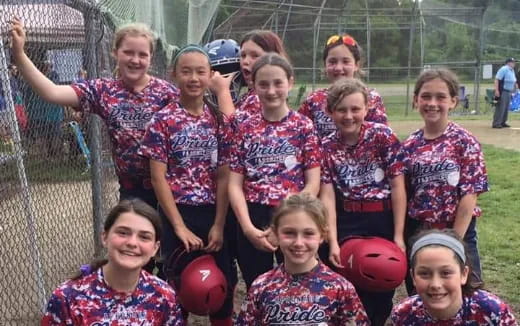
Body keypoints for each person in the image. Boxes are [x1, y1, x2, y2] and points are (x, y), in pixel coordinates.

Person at [9, 18, 179, 207]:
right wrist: (19, 54)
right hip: (132, 190)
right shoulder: (103, 90)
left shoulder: (167, 93)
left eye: (142, 54)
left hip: (171, 185)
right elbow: (53, 92)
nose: (135, 60)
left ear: (150, 57)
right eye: (128, 52)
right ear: (115, 53)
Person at [139, 44, 234, 326]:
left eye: (200, 72)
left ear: (210, 76)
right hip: (177, 211)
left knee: (221, 281)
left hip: (213, 211)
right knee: (181, 281)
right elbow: (158, 178)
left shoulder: (218, 119)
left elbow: (224, 174)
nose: (193, 78)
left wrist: (218, 223)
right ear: (174, 75)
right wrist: (179, 226)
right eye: (186, 72)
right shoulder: (163, 121)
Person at [228, 53, 321, 289]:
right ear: (254, 86)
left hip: (293, 215)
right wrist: (248, 228)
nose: (271, 91)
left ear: (290, 82)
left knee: (297, 282)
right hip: (253, 216)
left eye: (278, 83)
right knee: (257, 285)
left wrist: (283, 224)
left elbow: (313, 182)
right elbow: (234, 184)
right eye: (264, 84)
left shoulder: (303, 126)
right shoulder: (245, 128)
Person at [319, 77, 406, 326]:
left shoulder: (382, 136)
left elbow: (398, 185)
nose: (349, 116)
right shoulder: (325, 146)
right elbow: (327, 195)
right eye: (341, 109)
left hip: (382, 217)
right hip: (347, 219)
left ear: (367, 108)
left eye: (355, 109)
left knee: (383, 278)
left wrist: (398, 235)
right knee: (347, 284)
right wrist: (333, 241)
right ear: (330, 112)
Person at [401, 69, 488, 292]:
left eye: (440, 97)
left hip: (457, 228)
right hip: (420, 230)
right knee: (423, 290)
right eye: (426, 96)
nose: (432, 103)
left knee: (465, 291)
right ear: (415, 100)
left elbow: (469, 195)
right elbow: (404, 192)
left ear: (453, 102)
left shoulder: (464, 142)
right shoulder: (410, 145)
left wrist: (455, 239)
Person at [41, 198, 185, 325]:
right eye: (123, 233)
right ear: (105, 237)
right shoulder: (68, 297)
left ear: (155, 248)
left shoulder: (164, 296)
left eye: (144, 237)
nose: (132, 242)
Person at [236, 193, 370, 325]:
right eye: (289, 233)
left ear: (322, 235)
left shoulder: (340, 288)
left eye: (308, 234)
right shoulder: (261, 286)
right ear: (276, 233)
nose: (299, 243)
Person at [391, 229, 517, 325]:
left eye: (446, 273)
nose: (435, 284)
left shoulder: (491, 310)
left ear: (463, 274)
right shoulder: (404, 314)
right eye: (424, 274)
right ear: (413, 277)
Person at [299, 33, 387, 139]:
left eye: (346, 61)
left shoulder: (371, 98)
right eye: (332, 62)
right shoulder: (314, 100)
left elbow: (382, 138)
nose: (338, 68)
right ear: (325, 65)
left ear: (356, 65)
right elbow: (301, 139)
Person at [492, 57, 516, 129]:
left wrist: (514, 89)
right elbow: (497, 80)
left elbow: (513, 80)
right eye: (512, 62)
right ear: (508, 63)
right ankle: (496, 123)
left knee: (506, 108)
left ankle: (503, 122)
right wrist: (497, 90)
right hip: (503, 91)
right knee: (501, 107)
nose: (514, 63)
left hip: (509, 91)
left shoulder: (512, 70)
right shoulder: (504, 69)